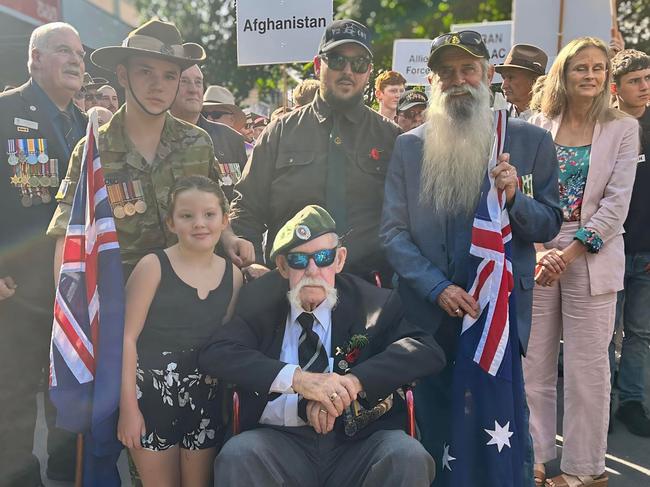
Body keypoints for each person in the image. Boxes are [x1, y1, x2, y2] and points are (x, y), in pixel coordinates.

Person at [380, 30, 562, 486]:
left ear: (489, 74)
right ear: (434, 81)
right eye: (446, 72)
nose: (457, 80)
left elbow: (548, 225)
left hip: (497, 316)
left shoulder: (529, 141)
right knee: (436, 430)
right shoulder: (410, 146)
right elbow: (394, 233)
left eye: (467, 69)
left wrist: (515, 197)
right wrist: (436, 288)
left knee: (501, 429)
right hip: (431, 312)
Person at [199, 204, 444, 487]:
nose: (312, 270)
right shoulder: (261, 303)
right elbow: (216, 352)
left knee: (407, 455)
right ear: (282, 266)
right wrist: (300, 381)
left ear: (339, 260)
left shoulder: (372, 303)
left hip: (357, 445)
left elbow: (425, 349)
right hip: (280, 444)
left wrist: (351, 383)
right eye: (299, 261)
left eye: (323, 257)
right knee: (239, 454)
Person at [47, 19, 254, 279]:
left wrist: (231, 239)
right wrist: (68, 307)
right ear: (123, 75)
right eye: (146, 72)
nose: (158, 85)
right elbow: (69, 237)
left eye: (170, 76)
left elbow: (215, 207)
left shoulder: (197, 142)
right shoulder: (94, 148)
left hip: (191, 292)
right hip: (120, 299)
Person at [523, 37, 639, 487]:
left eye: (598, 68)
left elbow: (616, 204)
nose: (590, 75)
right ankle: (533, 456)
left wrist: (569, 252)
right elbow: (525, 193)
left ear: (607, 76)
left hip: (593, 252)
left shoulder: (623, 127)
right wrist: (539, 249)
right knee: (534, 362)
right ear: (563, 74)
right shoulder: (536, 122)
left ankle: (585, 469)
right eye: (580, 68)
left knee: (588, 369)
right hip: (538, 245)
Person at [230, 19, 401, 285]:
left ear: (368, 72)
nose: (348, 71)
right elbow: (246, 207)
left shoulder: (391, 138)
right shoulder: (280, 132)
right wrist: (251, 265)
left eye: (358, 64)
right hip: (290, 284)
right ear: (318, 65)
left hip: (366, 287)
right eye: (336, 60)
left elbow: (409, 218)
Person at [0, 21, 87, 485]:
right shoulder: (5, 112)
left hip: (72, 291)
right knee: (12, 402)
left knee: (67, 398)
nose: (76, 60)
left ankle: (62, 478)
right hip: (15, 291)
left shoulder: (90, 124)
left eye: (80, 52)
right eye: (62, 50)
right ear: (34, 59)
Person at [118, 175, 242, 486]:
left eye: (209, 215)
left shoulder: (233, 276)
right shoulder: (152, 267)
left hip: (205, 399)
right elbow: (126, 340)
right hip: (151, 399)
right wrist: (128, 409)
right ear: (171, 223)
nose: (199, 224)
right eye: (187, 216)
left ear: (225, 220)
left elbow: (224, 345)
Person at [608, 49, 650, 437]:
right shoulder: (606, 126)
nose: (645, 87)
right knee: (603, 333)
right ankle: (600, 405)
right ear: (615, 88)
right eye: (636, 80)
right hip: (608, 247)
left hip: (647, 254)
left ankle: (633, 402)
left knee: (641, 332)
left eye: (648, 79)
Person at [170, 64, 247, 201]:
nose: (193, 89)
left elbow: (245, 200)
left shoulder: (231, 139)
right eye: (184, 81)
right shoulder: (152, 136)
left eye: (198, 82)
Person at [495, 44, 548, 120]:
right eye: (503, 78)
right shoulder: (497, 117)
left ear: (535, 81)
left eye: (511, 77)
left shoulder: (551, 120)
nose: (503, 86)